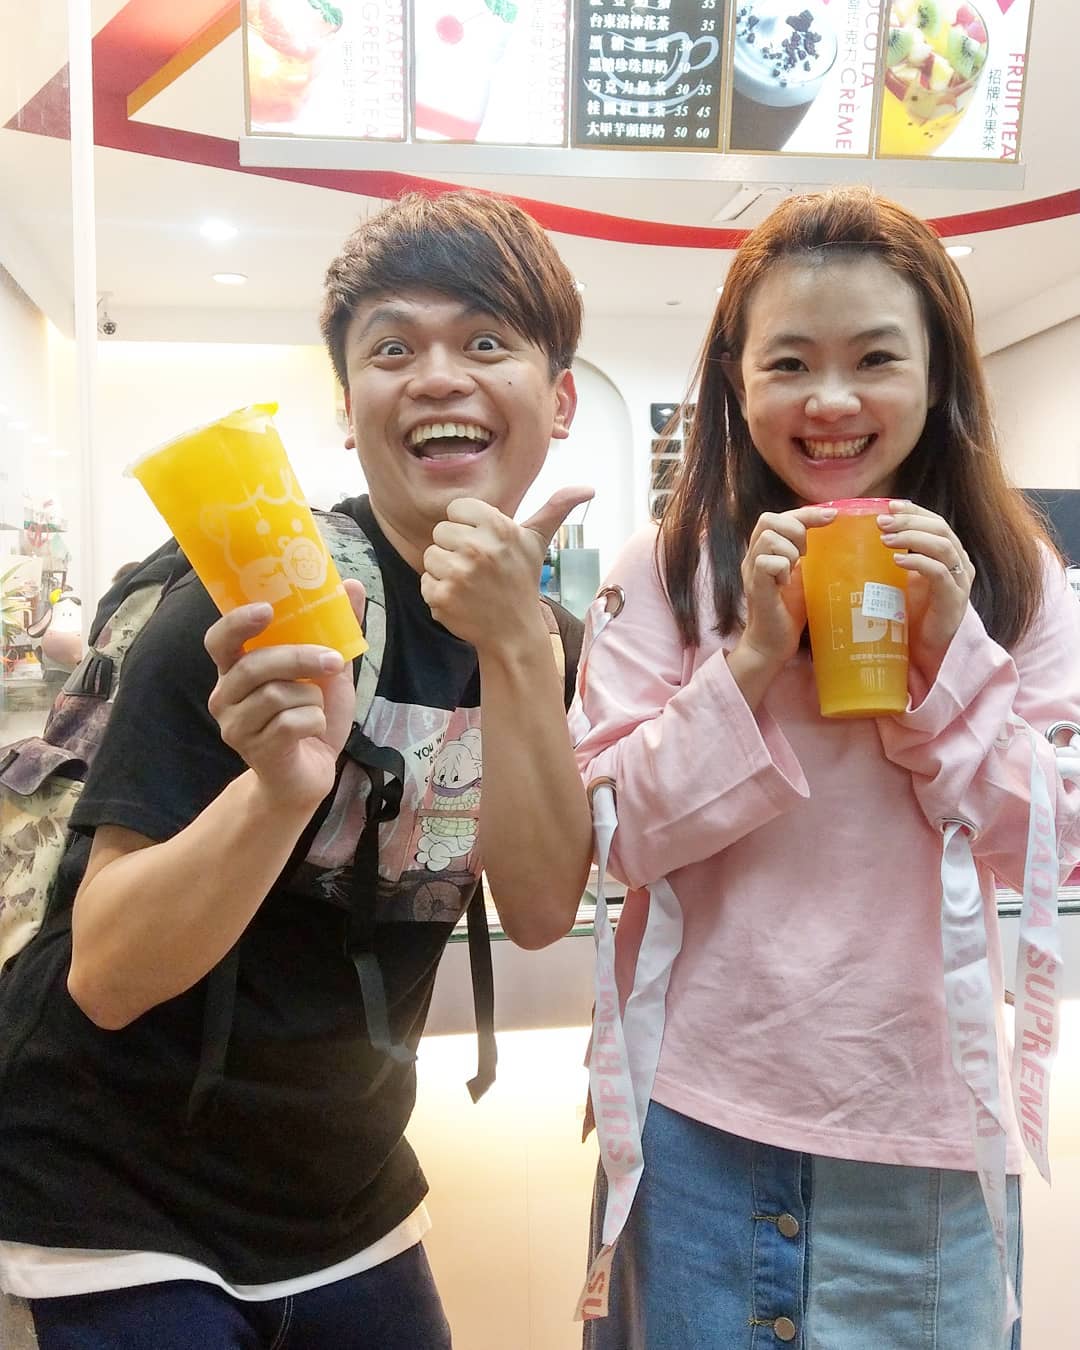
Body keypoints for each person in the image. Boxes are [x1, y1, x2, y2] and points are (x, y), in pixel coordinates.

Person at [0, 190, 594, 1348]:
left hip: (342, 1189)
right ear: (349, 406)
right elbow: (107, 973)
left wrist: (520, 647)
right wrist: (280, 792)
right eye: (392, 350)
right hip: (110, 1183)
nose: (437, 377)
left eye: (485, 343)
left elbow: (535, 912)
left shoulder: (543, 640)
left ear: (559, 398)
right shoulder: (250, 603)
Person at [572, 188, 1080, 1349]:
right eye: (790, 362)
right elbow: (613, 838)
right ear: (736, 381)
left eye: (876, 359)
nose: (832, 401)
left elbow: (1056, 841)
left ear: (940, 376)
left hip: (927, 1130)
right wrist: (751, 657)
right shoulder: (668, 568)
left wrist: (950, 659)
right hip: (692, 1118)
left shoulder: (1018, 577)